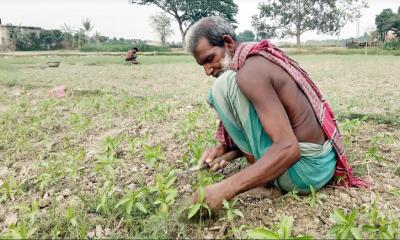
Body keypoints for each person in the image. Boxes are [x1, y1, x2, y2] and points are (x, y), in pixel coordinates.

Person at [185, 16, 366, 210]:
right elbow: (273, 129)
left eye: (209, 59)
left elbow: (289, 148)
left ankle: (264, 183)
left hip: (304, 174)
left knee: (221, 87)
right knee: (227, 84)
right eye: (201, 65)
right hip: (322, 165)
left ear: (228, 43)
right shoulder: (257, 60)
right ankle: (259, 172)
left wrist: (226, 188)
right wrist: (226, 152)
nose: (207, 71)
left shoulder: (249, 72)